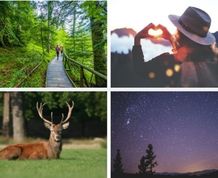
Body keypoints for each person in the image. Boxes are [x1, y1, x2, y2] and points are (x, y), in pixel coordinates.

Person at [133, 6, 218, 87]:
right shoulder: (212, 62)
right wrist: (171, 39)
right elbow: (188, 51)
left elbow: (140, 69)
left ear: (179, 33)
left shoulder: (167, 62)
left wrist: (137, 39)